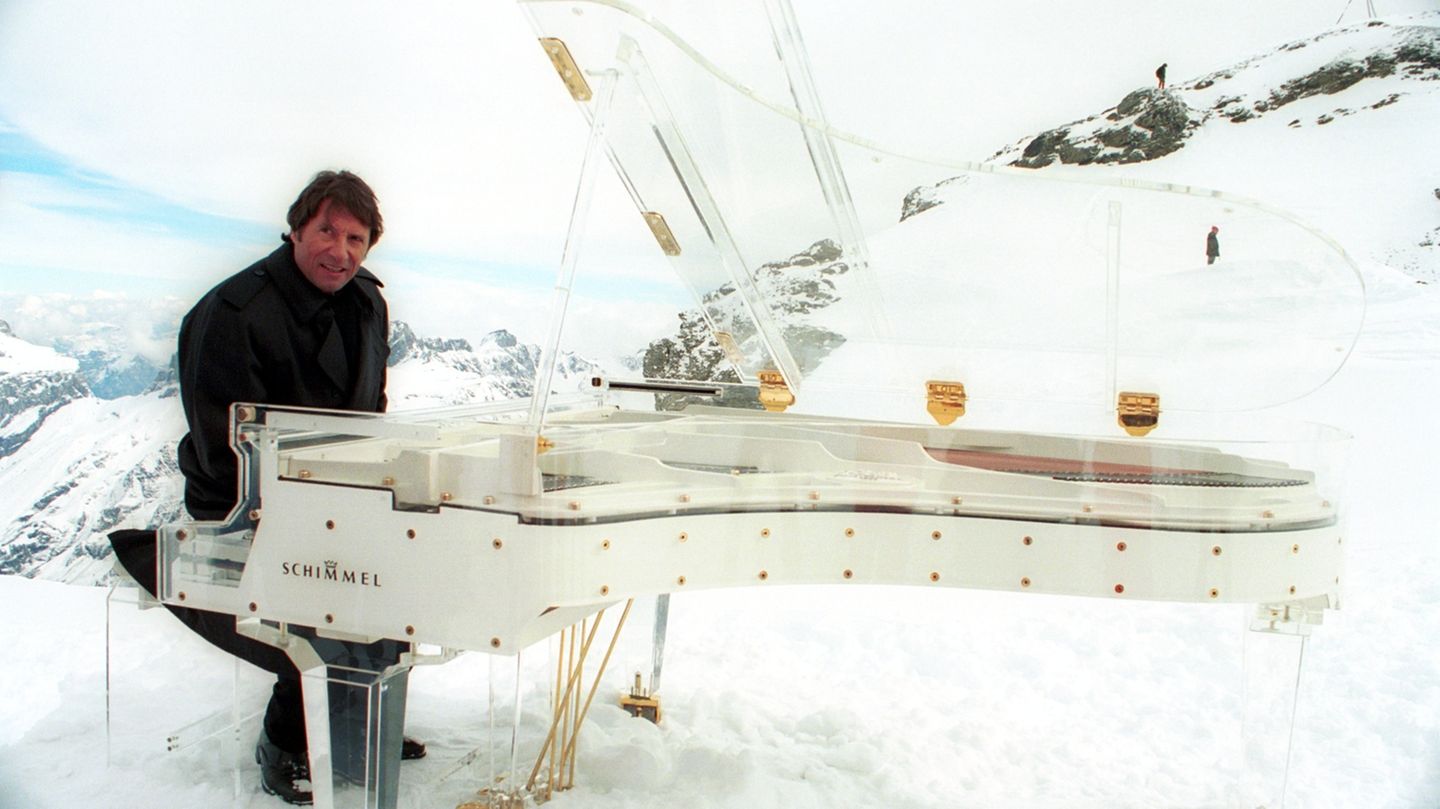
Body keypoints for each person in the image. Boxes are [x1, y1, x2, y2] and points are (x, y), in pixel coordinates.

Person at [114, 170, 422, 805]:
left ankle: (360, 722)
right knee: (312, 619)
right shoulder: (233, 313)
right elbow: (217, 440)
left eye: (356, 238)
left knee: (397, 596)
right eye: (327, 231)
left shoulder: (368, 300)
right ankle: (287, 743)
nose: (340, 251)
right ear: (297, 229)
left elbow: (372, 407)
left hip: (339, 495)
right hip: (242, 505)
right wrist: (283, 521)